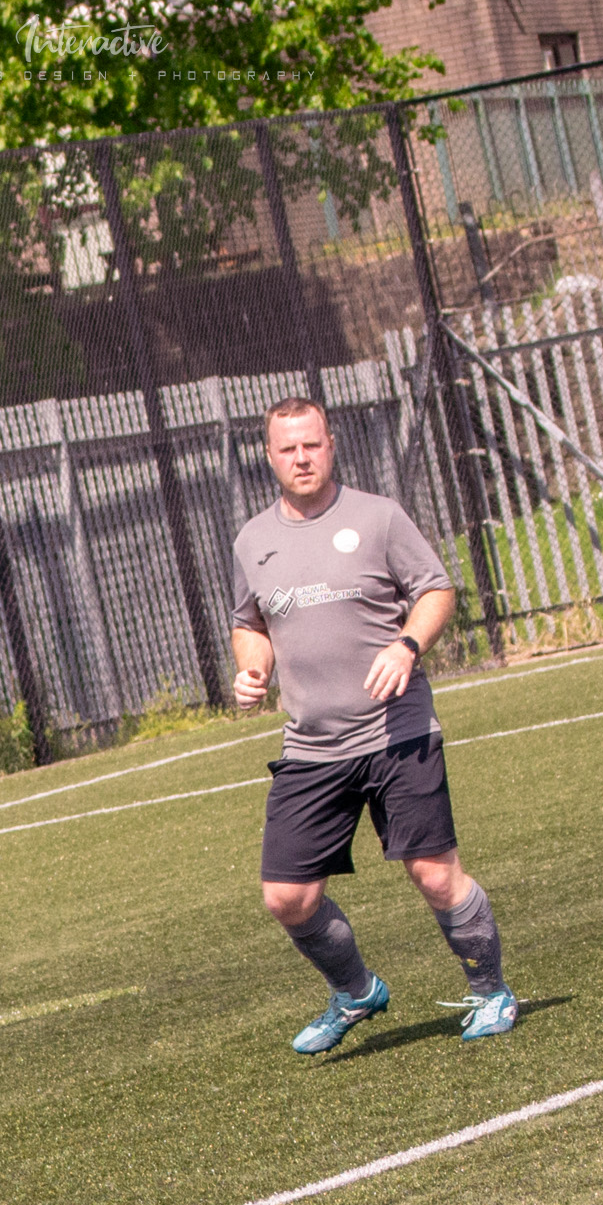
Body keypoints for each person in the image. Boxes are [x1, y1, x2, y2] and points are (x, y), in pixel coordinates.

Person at [229, 397, 517, 1051]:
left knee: (435, 874)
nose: (302, 458)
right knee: (287, 898)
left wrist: (407, 646)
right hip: (311, 746)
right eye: (288, 449)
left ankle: (491, 990)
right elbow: (250, 623)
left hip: (397, 733)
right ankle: (356, 992)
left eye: (312, 445)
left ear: (331, 445)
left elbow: (436, 589)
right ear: (269, 457)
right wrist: (253, 668)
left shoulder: (378, 517)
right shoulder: (252, 540)